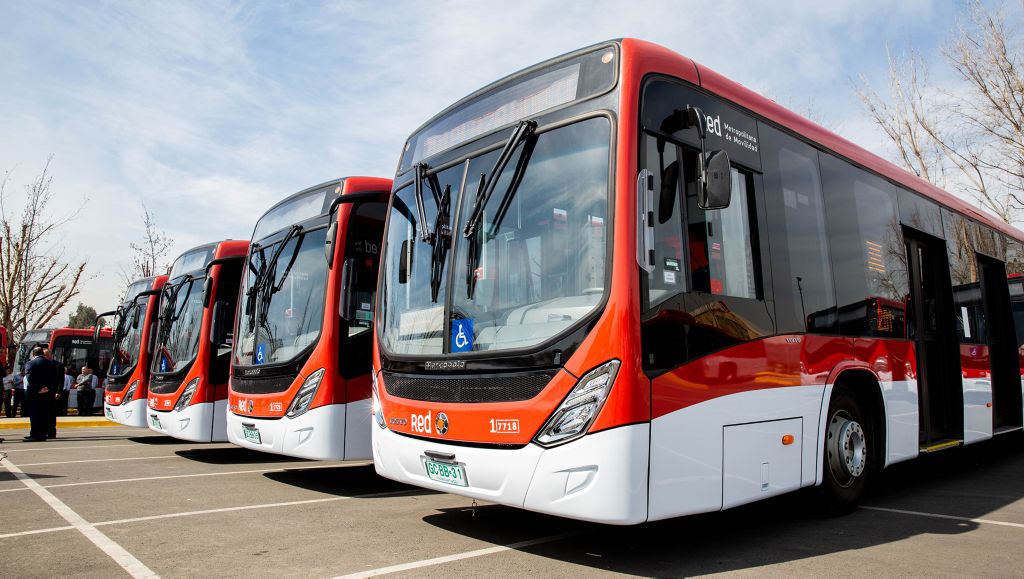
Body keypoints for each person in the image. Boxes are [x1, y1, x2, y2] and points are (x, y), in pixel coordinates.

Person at [23, 347, 55, 441]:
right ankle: (43, 434)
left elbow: (30, 378)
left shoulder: (30, 363)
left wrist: (38, 388)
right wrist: (47, 388)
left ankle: (35, 434)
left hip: (34, 392)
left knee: (34, 414)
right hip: (46, 392)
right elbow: (54, 378)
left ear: (33, 354)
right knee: (44, 413)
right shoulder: (50, 363)